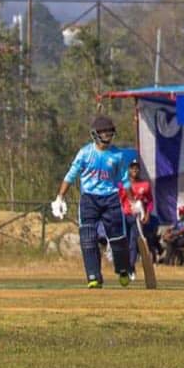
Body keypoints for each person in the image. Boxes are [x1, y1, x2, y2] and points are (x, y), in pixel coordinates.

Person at [51, 115, 133, 288]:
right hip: (89, 199)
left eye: (110, 131)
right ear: (95, 134)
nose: (108, 135)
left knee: (117, 238)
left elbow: (124, 181)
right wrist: (60, 197)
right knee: (88, 239)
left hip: (111, 198)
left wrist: (133, 202)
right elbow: (70, 176)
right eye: (104, 132)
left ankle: (123, 269)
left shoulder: (118, 155)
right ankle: (93, 276)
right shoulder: (85, 153)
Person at [118, 157, 161, 274]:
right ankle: (123, 265)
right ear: (128, 170)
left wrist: (147, 214)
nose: (135, 170)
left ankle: (131, 267)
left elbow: (150, 202)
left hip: (137, 217)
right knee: (123, 241)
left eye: (137, 168)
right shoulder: (123, 184)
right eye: (132, 168)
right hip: (124, 215)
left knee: (133, 241)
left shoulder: (145, 184)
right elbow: (118, 200)